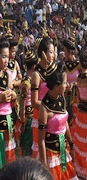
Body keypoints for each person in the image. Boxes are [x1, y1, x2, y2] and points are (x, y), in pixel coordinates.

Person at [38, 62, 78, 180]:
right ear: (56, 86)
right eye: (65, 83)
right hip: (51, 155)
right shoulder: (44, 108)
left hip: (63, 150)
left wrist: (72, 144)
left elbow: (64, 122)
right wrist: (44, 165)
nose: (67, 85)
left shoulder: (61, 98)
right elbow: (41, 140)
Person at [31, 37, 54, 159]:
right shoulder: (36, 74)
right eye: (51, 52)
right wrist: (50, 108)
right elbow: (34, 102)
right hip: (40, 115)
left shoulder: (53, 70)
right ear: (43, 54)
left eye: (54, 52)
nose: (53, 55)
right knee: (41, 149)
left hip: (53, 115)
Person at [74, 50, 87, 179]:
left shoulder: (78, 78)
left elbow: (79, 96)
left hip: (80, 110)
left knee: (80, 139)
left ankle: (80, 167)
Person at [0, 38, 17, 167]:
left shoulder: (6, 75)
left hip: (8, 121)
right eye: (3, 56)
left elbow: (11, 96)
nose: (6, 60)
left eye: (7, 57)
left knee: (9, 156)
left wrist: (14, 96)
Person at [20, 49, 38, 156]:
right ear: (34, 66)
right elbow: (22, 103)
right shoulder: (26, 82)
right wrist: (23, 121)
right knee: (27, 145)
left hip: (33, 114)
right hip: (28, 117)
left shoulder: (33, 79)